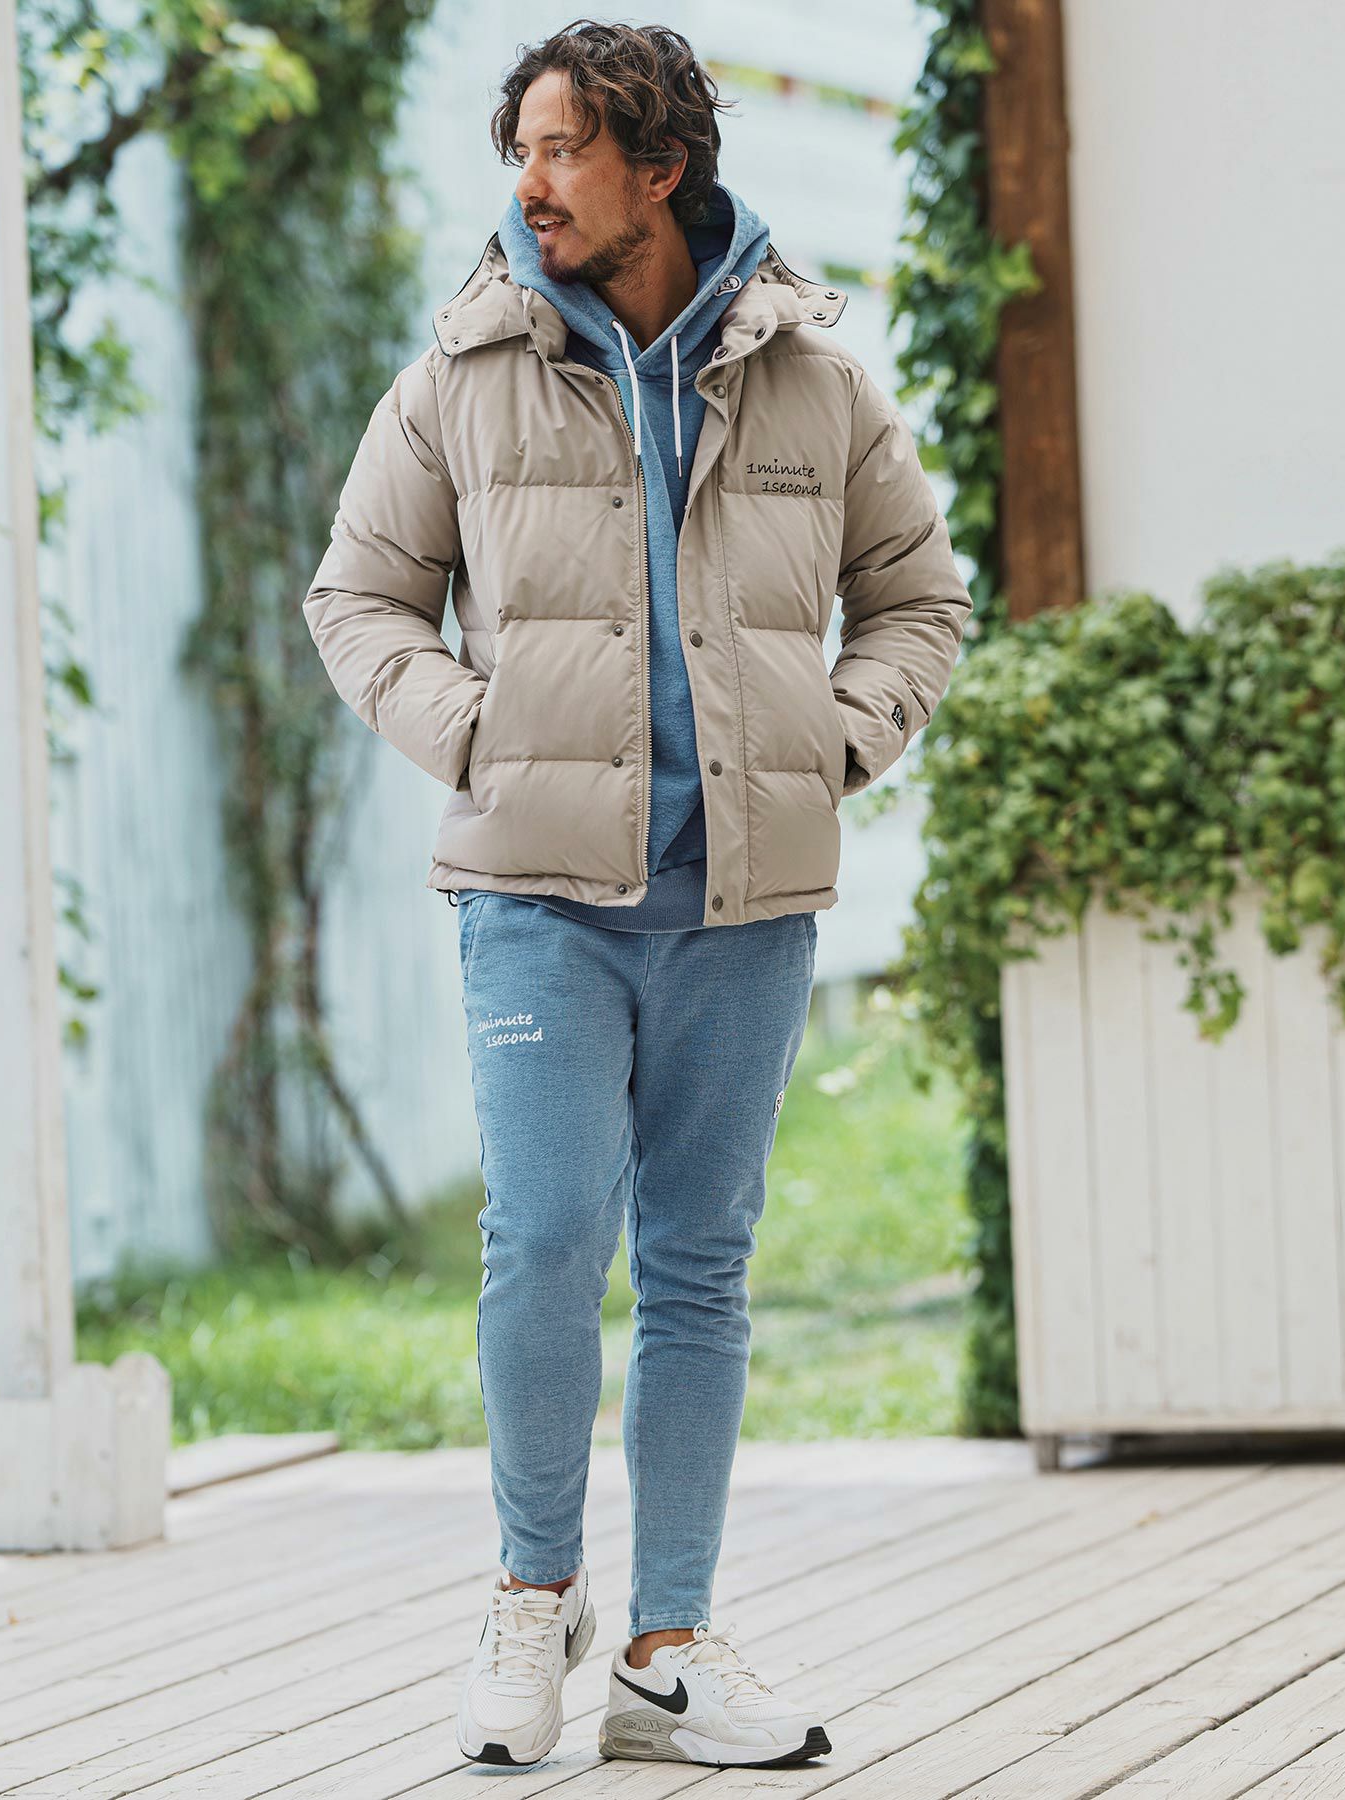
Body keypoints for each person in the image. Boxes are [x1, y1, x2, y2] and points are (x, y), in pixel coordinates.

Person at [302, 17, 972, 1773]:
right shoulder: (465, 368)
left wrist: (838, 737)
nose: (528, 186)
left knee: (697, 1266)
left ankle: (668, 1648)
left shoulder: (814, 376)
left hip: (743, 901)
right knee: (541, 1241)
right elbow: (358, 597)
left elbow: (920, 597)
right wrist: (477, 732)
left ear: (658, 169)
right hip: (535, 894)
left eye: (561, 152)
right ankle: (536, 1595)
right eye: (517, 152)